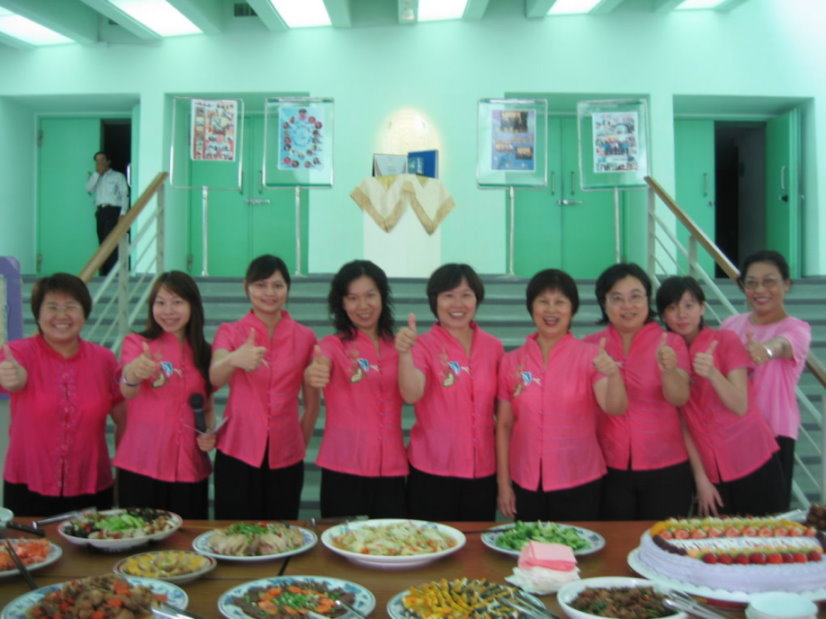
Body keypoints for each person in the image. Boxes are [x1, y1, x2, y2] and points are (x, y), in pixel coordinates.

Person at [496, 269, 627, 521]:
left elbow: (614, 407)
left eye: (560, 302)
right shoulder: (511, 361)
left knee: (577, 545)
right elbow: (504, 425)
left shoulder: (591, 356)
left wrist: (613, 375)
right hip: (527, 480)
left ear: (572, 309)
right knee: (529, 545)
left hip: (579, 479)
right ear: (531, 307)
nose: (551, 310)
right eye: (543, 301)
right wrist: (504, 484)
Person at [657, 276, 786, 516]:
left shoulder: (725, 340)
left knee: (769, 535)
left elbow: (740, 405)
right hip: (712, 471)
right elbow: (683, 424)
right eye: (672, 308)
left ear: (702, 308)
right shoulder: (666, 356)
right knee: (718, 538)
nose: (682, 314)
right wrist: (701, 479)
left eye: (689, 305)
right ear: (663, 316)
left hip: (754, 457)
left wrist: (713, 374)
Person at [0, 273, 124, 516]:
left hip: (91, 484)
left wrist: (124, 472)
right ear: (38, 314)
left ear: (84, 313)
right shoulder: (18, 353)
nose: (61, 315)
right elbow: (14, 377)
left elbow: (124, 420)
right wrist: (13, 377)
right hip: (29, 484)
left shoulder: (104, 360)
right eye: (52, 307)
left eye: (71, 306)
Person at [209, 255, 319, 520]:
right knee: (234, 532)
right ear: (246, 287)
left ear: (288, 288)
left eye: (277, 285)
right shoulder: (230, 332)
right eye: (261, 285)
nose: (269, 293)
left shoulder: (305, 337)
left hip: (286, 455)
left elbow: (312, 404)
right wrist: (233, 359)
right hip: (237, 450)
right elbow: (214, 377)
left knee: (281, 533)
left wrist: (297, 445)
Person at [583, 263, 693, 520]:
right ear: (604, 303)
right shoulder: (590, 346)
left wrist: (669, 370)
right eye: (617, 298)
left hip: (666, 465)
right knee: (616, 541)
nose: (627, 306)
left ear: (647, 299)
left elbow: (680, 398)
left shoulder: (671, 342)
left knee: (661, 540)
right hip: (609, 467)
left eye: (635, 297)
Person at [396, 263, 503, 521]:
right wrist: (405, 354)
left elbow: (503, 412)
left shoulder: (493, 347)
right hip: (432, 470)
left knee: (475, 543)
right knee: (431, 542)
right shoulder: (422, 345)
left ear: (477, 299)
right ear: (435, 301)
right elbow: (411, 394)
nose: (458, 304)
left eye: (466, 295)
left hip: (482, 471)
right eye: (448, 295)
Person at [305, 260, 407, 518]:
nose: (363, 306)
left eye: (370, 295)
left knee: (391, 539)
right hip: (343, 466)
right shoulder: (333, 345)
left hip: (391, 467)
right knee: (340, 538)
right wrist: (314, 372)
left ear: (382, 296)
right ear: (342, 303)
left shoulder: (399, 347)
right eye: (352, 298)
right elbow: (320, 363)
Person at [114, 271, 214, 518]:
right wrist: (135, 372)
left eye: (177, 302)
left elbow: (207, 407)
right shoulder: (137, 343)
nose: (168, 311)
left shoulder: (205, 353)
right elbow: (127, 389)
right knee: (140, 537)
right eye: (160, 302)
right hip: (142, 463)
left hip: (190, 467)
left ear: (193, 306)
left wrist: (211, 433)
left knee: (187, 538)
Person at [720, 250, 811, 509]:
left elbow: (782, 345)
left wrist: (765, 351)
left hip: (773, 434)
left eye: (769, 281)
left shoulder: (796, 328)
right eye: (752, 283)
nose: (760, 290)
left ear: (786, 284)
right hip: (730, 435)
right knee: (727, 522)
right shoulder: (730, 325)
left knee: (767, 522)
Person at [84, 151, 129, 276]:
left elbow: (124, 195)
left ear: (108, 161)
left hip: (113, 211)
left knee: (110, 242)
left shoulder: (117, 176)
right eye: (97, 160)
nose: (99, 163)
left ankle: (113, 274)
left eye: (102, 160)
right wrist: (96, 174)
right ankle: (104, 274)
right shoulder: (95, 177)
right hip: (101, 212)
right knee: (102, 242)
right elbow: (88, 189)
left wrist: (123, 213)